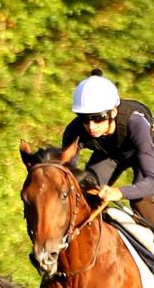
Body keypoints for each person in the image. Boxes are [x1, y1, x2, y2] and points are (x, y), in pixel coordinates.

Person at [62, 68, 154, 222]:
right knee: (87, 194)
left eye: (98, 118)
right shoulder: (74, 131)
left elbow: (152, 180)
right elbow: (65, 175)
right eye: (85, 119)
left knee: (140, 201)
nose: (91, 126)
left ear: (113, 113)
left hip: (146, 151)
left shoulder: (136, 123)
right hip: (110, 154)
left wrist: (119, 192)